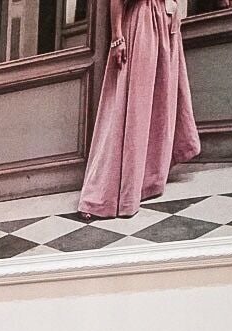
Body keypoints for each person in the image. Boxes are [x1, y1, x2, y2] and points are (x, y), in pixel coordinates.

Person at [77, 0, 201, 220]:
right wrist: (117, 37)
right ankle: (104, 194)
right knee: (133, 104)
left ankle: (148, 180)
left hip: (166, 22)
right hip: (141, 22)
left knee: (161, 102)